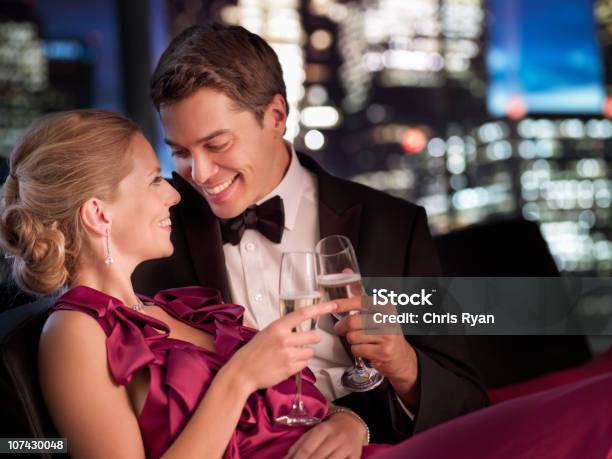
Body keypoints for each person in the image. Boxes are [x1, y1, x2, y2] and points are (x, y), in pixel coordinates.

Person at [133, 23, 489, 447]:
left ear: (276, 117)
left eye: (218, 145)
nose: (201, 173)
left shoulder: (394, 227)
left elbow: (470, 405)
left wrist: (400, 366)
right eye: (180, 152)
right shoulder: (154, 234)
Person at [0, 110, 390, 459]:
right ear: (98, 213)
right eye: (154, 180)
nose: (174, 194)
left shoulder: (177, 307)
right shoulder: (74, 332)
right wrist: (239, 377)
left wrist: (349, 422)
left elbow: (298, 405)